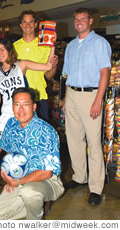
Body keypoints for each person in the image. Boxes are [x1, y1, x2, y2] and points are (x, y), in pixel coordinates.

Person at [0, 37, 55, 192]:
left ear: (9, 50)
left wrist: (52, 46)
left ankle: (23, 181)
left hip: (23, 113)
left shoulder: (20, 65)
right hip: (5, 114)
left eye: (2, 49)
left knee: (21, 151)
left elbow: (49, 65)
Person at [0, 87, 64, 220]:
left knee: (29, 192)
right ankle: (36, 205)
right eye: (17, 105)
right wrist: (10, 175)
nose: (21, 109)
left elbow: (46, 172)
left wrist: (17, 182)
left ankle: (35, 219)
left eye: (26, 105)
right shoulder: (11, 124)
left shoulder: (45, 132)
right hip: (21, 177)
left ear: (34, 107)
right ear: (12, 107)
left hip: (47, 181)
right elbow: (8, 152)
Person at [62, 8, 111, 206]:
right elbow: (66, 74)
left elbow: (104, 73)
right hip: (72, 94)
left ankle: (96, 187)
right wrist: (65, 98)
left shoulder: (100, 43)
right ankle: (79, 176)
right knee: (74, 139)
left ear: (90, 21)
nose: (79, 22)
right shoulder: (71, 46)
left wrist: (98, 100)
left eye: (83, 19)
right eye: (76, 19)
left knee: (93, 142)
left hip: (91, 94)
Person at [13, 10, 58, 121]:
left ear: (36, 24)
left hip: (39, 96)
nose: (28, 25)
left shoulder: (45, 45)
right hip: (19, 98)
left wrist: (54, 65)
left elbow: (48, 76)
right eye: (24, 22)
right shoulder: (13, 47)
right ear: (20, 25)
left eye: (31, 22)